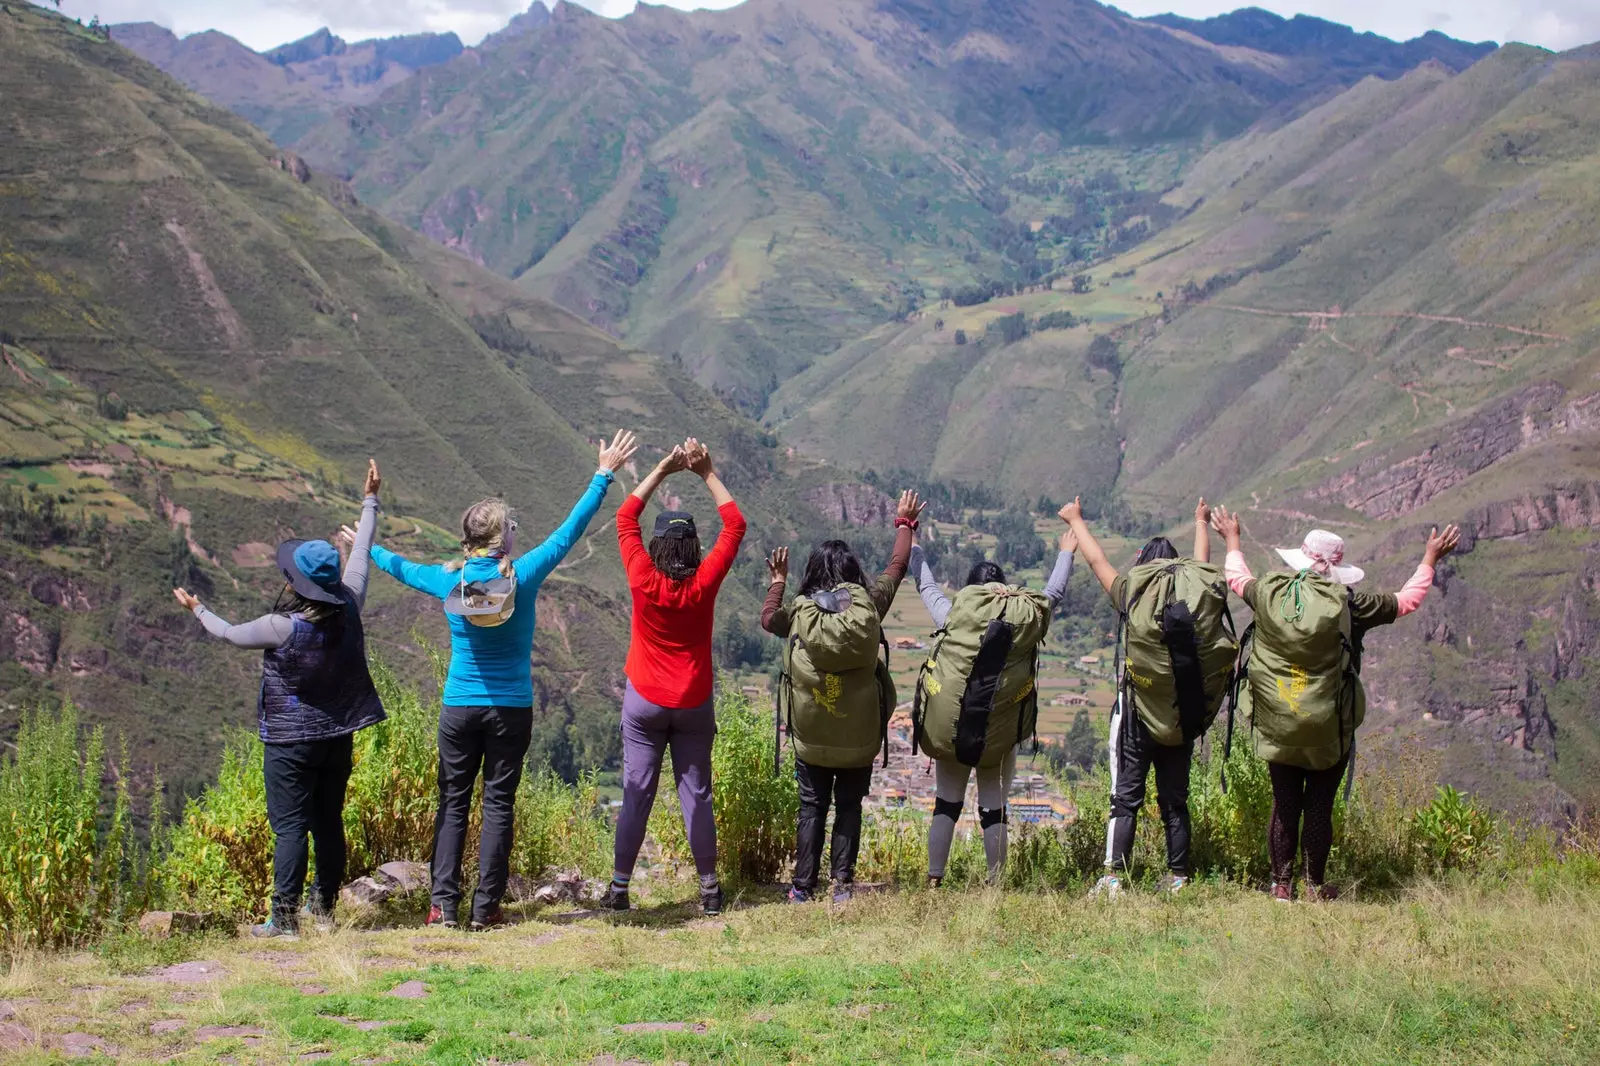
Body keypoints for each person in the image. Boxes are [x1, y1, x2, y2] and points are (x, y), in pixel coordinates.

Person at [368, 431, 637, 930]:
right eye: (511, 526)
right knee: (498, 805)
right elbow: (567, 533)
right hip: (510, 710)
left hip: (458, 708)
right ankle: (485, 908)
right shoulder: (523, 575)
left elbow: (400, 568)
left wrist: (367, 544)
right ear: (502, 538)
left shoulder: (448, 580)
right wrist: (602, 475)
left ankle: (441, 907)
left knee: (452, 804)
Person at [173, 459, 388, 939]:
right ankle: (325, 912)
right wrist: (370, 499)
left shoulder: (281, 627)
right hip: (338, 737)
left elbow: (228, 633)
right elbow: (361, 554)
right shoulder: (350, 602)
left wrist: (197, 608)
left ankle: (285, 921)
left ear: (297, 584)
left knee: (289, 826)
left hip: (290, 744)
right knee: (328, 821)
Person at [1212, 506, 1459, 902]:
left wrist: (1232, 537)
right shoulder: (1350, 605)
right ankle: (1313, 887)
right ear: (1335, 567)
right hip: (1330, 727)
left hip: (1279, 720)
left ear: (1301, 560)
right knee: (1319, 806)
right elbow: (1407, 600)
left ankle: (1281, 885)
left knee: (1285, 802)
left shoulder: (1271, 595)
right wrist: (1430, 557)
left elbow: (1237, 577)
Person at [606, 438, 747, 916]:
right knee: (697, 794)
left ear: (657, 546)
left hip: (644, 700)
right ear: (693, 548)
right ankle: (709, 890)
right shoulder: (703, 585)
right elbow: (736, 524)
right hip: (692, 702)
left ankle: (620, 888)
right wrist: (707, 471)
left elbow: (625, 518)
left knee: (635, 791)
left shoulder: (643, 579)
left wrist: (664, 469)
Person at [762, 491, 924, 904]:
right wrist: (904, 525)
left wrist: (778, 582)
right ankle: (842, 887)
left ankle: (802, 888)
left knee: (811, 806)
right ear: (852, 572)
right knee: (849, 806)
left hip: (811, 736)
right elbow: (897, 567)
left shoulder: (799, 610)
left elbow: (768, 620)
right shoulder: (870, 605)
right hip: (859, 739)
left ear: (813, 572)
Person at [1064, 497, 1229, 899]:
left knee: (1125, 797)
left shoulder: (1132, 592)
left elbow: (1097, 560)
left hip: (1138, 712)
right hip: (1182, 711)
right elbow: (1203, 566)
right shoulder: (1197, 592)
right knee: (1175, 800)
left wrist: (1076, 519)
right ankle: (1178, 878)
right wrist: (1201, 523)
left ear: (1144, 565)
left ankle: (1114, 878)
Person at [909, 520, 1077, 886]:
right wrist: (1067, 549)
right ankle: (995, 885)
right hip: (998, 736)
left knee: (946, 804)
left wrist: (912, 538)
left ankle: (934, 879)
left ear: (972, 590)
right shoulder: (1027, 618)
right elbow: (1054, 592)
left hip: (952, 729)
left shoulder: (954, 614)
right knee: (994, 810)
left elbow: (925, 584)